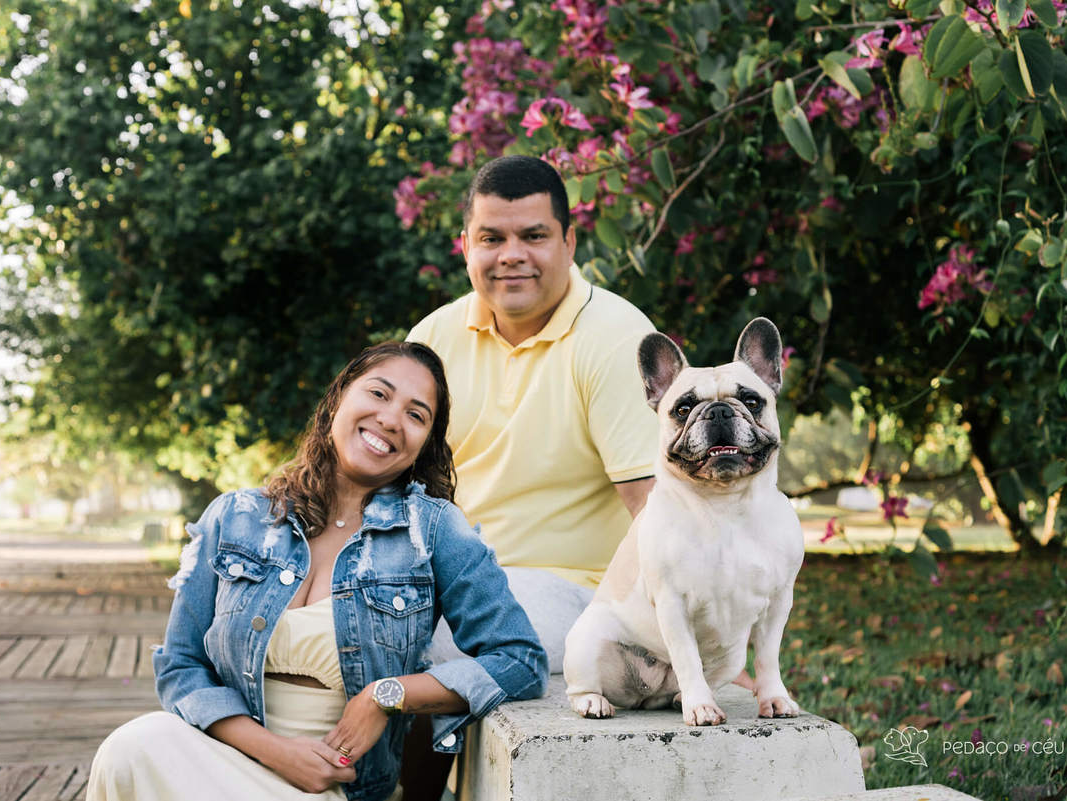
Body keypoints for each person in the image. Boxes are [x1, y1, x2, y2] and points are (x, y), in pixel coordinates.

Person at [86, 341, 548, 801]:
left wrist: (387, 696)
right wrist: (274, 752)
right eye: (379, 394)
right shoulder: (235, 516)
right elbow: (182, 665)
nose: (390, 419)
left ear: (424, 443)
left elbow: (519, 660)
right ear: (337, 401)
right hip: (225, 759)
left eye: (416, 414)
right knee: (132, 746)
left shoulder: (433, 531)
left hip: (336, 784)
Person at [402, 155, 659, 799]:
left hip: (576, 593)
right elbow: (391, 485)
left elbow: (657, 513)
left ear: (569, 242)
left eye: (533, 236)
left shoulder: (616, 336)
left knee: (427, 650)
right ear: (467, 246)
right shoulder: (434, 337)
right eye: (492, 238)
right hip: (450, 578)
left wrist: (693, 651)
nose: (511, 255)